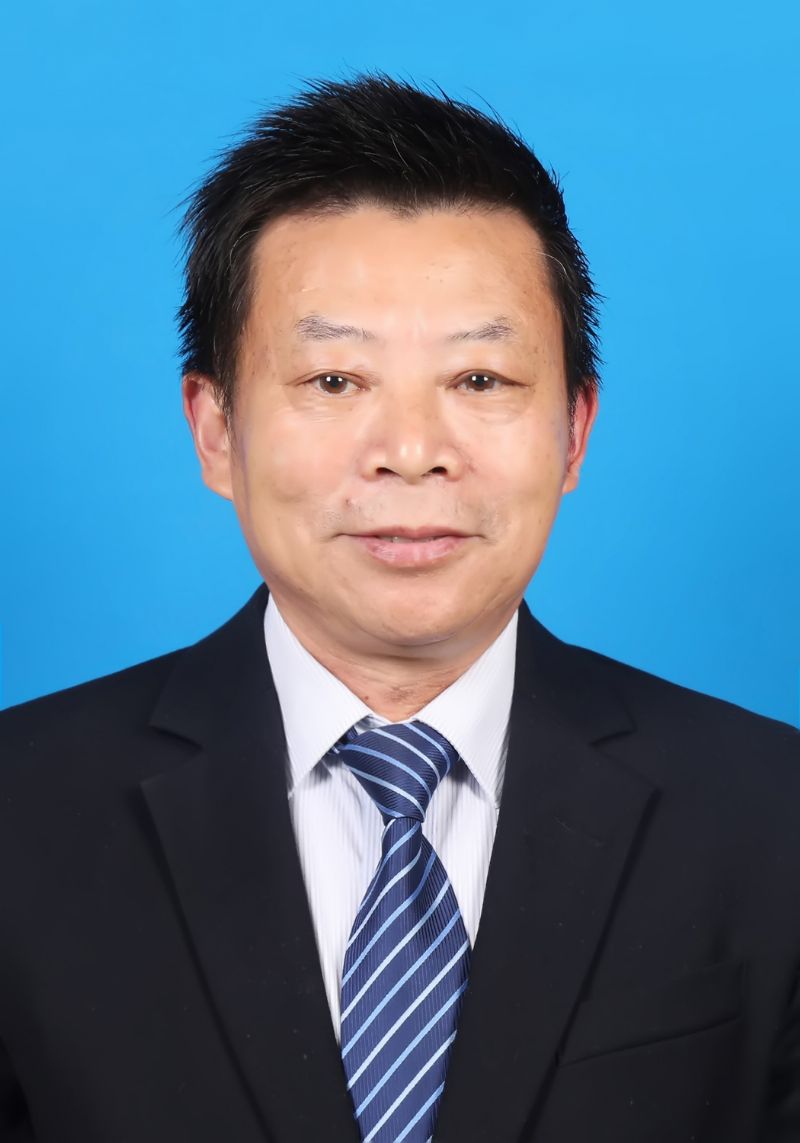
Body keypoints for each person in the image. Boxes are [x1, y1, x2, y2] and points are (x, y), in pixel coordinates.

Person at [0, 73, 798, 1143]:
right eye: (334, 381)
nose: (412, 452)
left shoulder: (771, 818)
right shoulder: (21, 815)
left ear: (573, 431)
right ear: (216, 430)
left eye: (480, 380)